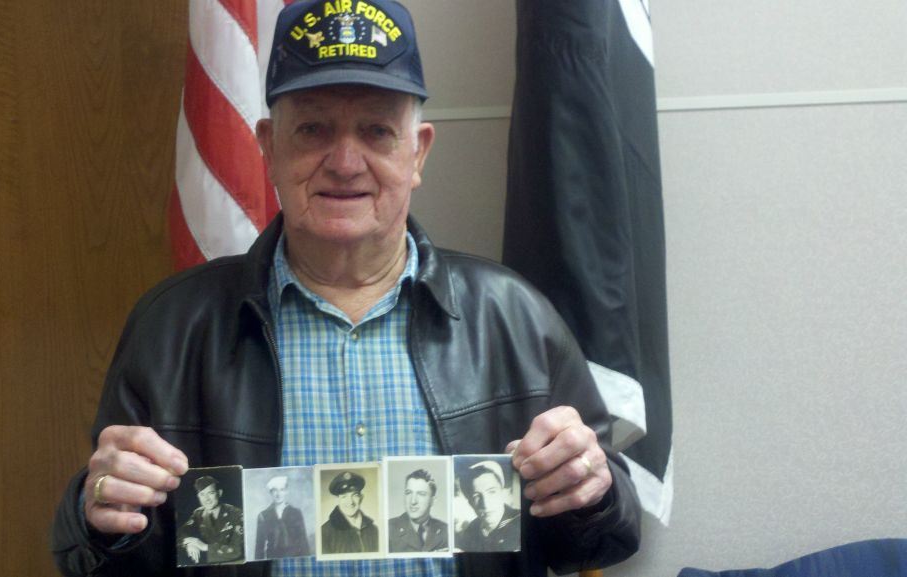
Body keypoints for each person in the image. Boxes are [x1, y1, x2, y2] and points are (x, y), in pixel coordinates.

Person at [51, 0, 640, 575]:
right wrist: (101, 514)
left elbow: (599, 542)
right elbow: (109, 560)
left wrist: (593, 491)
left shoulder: (516, 318)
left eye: (377, 130)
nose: (345, 161)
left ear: (418, 153)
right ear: (268, 147)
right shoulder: (171, 328)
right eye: (312, 128)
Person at [176, 476, 244, 565]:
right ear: (198, 497)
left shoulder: (236, 513)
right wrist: (189, 543)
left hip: (235, 565)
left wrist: (204, 546)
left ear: (219, 493)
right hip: (211, 567)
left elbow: (237, 550)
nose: (206, 499)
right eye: (202, 494)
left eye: (210, 493)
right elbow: (180, 534)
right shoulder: (198, 514)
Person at [455, 461, 521, 552]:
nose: (485, 504)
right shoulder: (471, 530)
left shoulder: (519, 521)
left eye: (491, 492)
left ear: (502, 492)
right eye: (476, 496)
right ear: (470, 503)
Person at [388, 469, 449, 553]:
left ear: (433, 500)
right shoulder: (388, 529)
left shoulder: (446, 531)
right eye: (408, 493)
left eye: (421, 494)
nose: (413, 501)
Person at [319, 471, 379, 555]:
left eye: (355, 495)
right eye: (344, 496)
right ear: (337, 500)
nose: (350, 502)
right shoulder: (324, 533)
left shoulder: (373, 529)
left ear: (361, 498)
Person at [254, 475, 311, 559]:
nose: (278, 494)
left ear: (286, 491)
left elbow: (303, 542)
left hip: (294, 557)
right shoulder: (263, 516)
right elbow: (259, 546)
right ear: (270, 492)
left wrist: (305, 560)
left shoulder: (296, 513)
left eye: (282, 490)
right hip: (273, 558)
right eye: (275, 490)